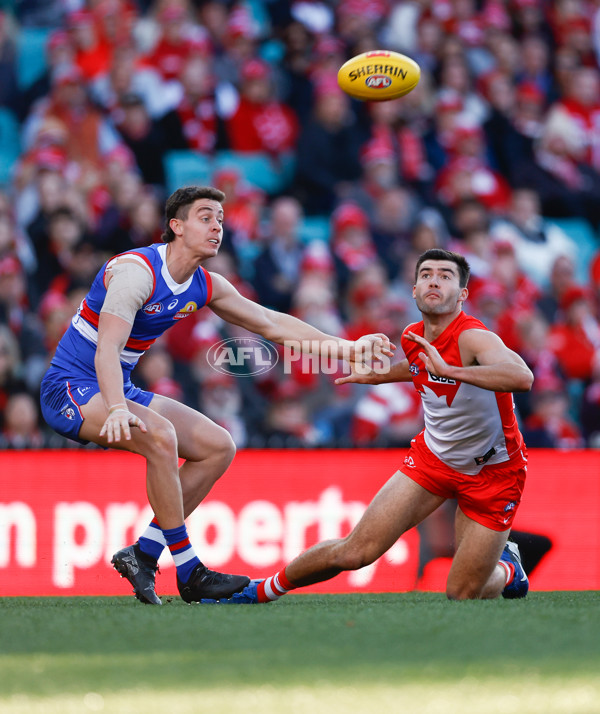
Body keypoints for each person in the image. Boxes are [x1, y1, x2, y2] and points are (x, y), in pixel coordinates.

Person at [39, 185, 392, 606]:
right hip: (70, 388)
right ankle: (189, 572)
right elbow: (107, 350)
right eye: (206, 217)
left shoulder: (205, 284)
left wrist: (348, 348)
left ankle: (143, 554)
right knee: (162, 436)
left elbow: (272, 324)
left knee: (217, 446)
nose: (217, 227)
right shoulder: (136, 271)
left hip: (116, 384)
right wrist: (116, 406)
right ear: (176, 226)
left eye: (221, 219)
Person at [201, 248, 534, 605]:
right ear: (414, 289)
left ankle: (510, 567)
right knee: (353, 553)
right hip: (433, 460)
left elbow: (522, 376)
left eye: (445, 275)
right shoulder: (412, 335)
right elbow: (421, 367)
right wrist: (381, 377)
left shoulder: (475, 337)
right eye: (426, 274)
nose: (433, 280)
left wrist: (451, 371)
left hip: (494, 473)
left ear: (463, 294)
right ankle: (260, 590)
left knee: (463, 592)